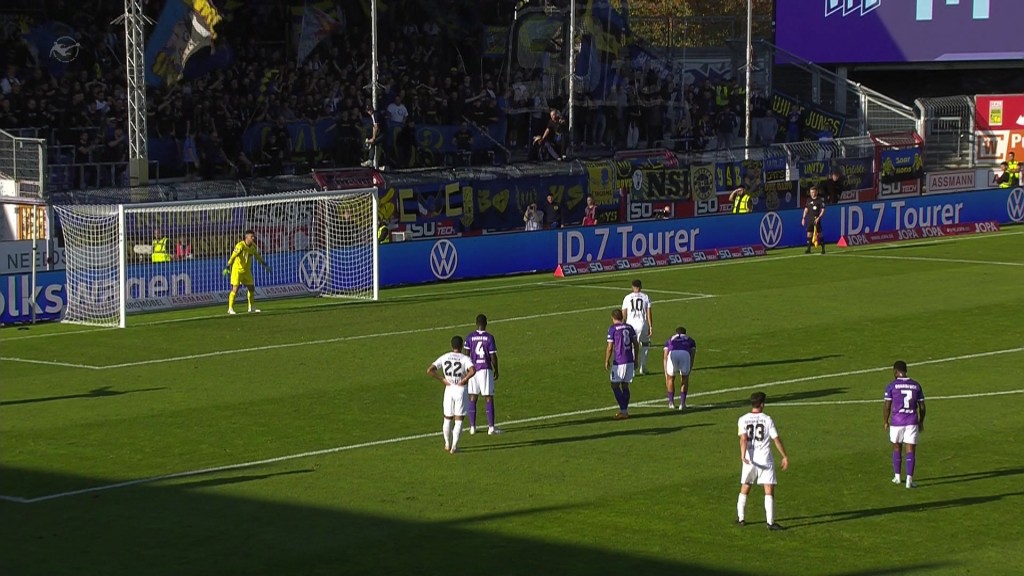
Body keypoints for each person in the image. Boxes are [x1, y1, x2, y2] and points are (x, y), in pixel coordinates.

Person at [737, 391, 790, 530]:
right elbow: (776, 439)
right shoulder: (767, 420)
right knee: (768, 489)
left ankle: (741, 518)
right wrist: (784, 455)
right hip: (765, 459)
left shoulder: (742, 419)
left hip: (749, 459)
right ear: (762, 404)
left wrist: (743, 456)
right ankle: (770, 522)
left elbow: (743, 439)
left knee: (746, 485)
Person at [427, 335, 476, 454]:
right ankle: (454, 447)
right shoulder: (464, 358)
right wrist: (464, 380)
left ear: (451, 346)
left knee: (447, 418)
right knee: (459, 419)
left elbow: (430, 370)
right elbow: (473, 370)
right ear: (461, 346)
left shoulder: (445, 357)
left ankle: (447, 443)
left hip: (448, 389)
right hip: (460, 389)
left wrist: (442, 379)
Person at [884, 360, 926, 489]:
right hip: (911, 421)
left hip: (897, 422)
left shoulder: (891, 386)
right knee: (910, 450)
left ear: (896, 371)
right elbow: (922, 407)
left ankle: (897, 477)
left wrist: (885, 421)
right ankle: (909, 480)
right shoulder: (916, 385)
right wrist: (921, 421)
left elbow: (887, 406)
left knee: (896, 447)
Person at [463, 314, 501, 435]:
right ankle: (491, 428)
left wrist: (467, 370)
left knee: (473, 396)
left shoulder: (469, 337)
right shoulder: (489, 338)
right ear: (486, 323)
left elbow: (466, 354)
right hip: (485, 369)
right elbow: (493, 356)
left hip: (473, 369)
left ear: (476, 323)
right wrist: (497, 369)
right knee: (488, 397)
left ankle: (472, 427)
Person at [223, 230, 271, 315]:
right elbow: (233, 256)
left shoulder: (253, 247)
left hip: (246, 271)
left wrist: (264, 264)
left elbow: (257, 256)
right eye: (251, 236)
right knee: (235, 289)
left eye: (253, 236)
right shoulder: (240, 246)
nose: (253, 238)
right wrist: (227, 266)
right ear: (247, 237)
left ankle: (251, 307)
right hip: (237, 270)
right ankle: (230, 308)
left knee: (251, 288)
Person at [605, 309, 638, 419]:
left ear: (612, 317)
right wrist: (636, 358)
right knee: (625, 385)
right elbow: (636, 344)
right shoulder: (629, 327)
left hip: (619, 362)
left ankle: (623, 411)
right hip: (629, 360)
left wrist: (606, 360)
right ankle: (624, 410)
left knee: (614, 385)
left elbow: (610, 347)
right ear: (622, 317)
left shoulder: (612, 329)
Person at [621, 279, 652, 375]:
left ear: (632, 287)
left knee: (633, 347)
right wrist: (651, 326)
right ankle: (643, 367)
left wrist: (623, 326)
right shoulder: (646, 297)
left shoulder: (627, 297)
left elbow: (624, 314)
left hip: (631, 326)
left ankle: (632, 370)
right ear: (641, 287)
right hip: (642, 324)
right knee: (646, 344)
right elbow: (649, 313)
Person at [663, 326, 696, 410]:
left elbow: (665, 355)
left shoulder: (670, 339)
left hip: (672, 353)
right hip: (685, 353)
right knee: (684, 378)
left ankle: (671, 403)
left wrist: (665, 371)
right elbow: (692, 355)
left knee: (670, 378)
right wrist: (690, 367)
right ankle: (682, 404)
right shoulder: (690, 340)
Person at [802, 187, 826, 254]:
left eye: (813, 192)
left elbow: (823, 210)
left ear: (816, 192)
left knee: (820, 234)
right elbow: (806, 209)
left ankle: (823, 249)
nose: (812, 194)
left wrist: (819, 217)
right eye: (811, 192)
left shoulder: (820, 200)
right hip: (810, 220)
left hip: (817, 219)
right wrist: (803, 218)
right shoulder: (808, 200)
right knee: (809, 234)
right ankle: (808, 249)